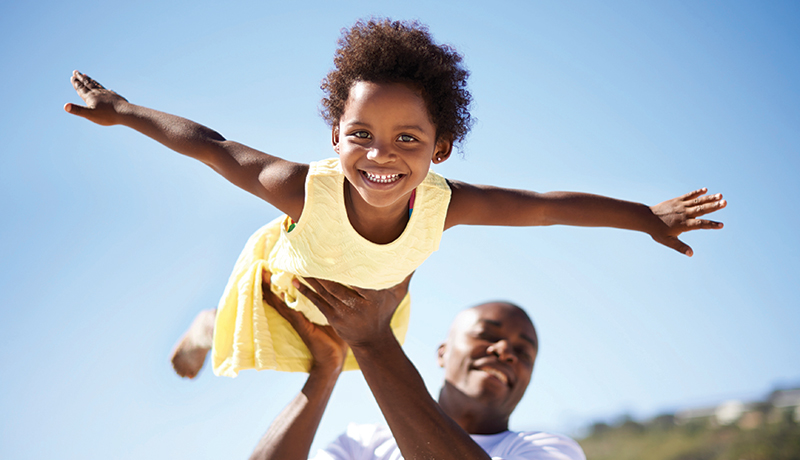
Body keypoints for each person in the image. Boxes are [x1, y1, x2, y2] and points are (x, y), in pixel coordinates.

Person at [65, 18, 726, 379]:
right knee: (266, 341)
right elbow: (211, 144)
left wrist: (644, 217)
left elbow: (544, 205)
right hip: (282, 290)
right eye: (362, 135)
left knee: (334, 359)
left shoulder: (445, 202)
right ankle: (212, 324)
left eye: (407, 137)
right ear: (335, 134)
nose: (381, 154)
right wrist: (123, 110)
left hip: (365, 309)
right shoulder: (302, 187)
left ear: (440, 148)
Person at [249, 271, 586, 460]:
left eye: (524, 353)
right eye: (486, 335)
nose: (505, 351)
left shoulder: (547, 451)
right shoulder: (365, 444)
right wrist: (326, 370)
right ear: (443, 352)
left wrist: (374, 342)